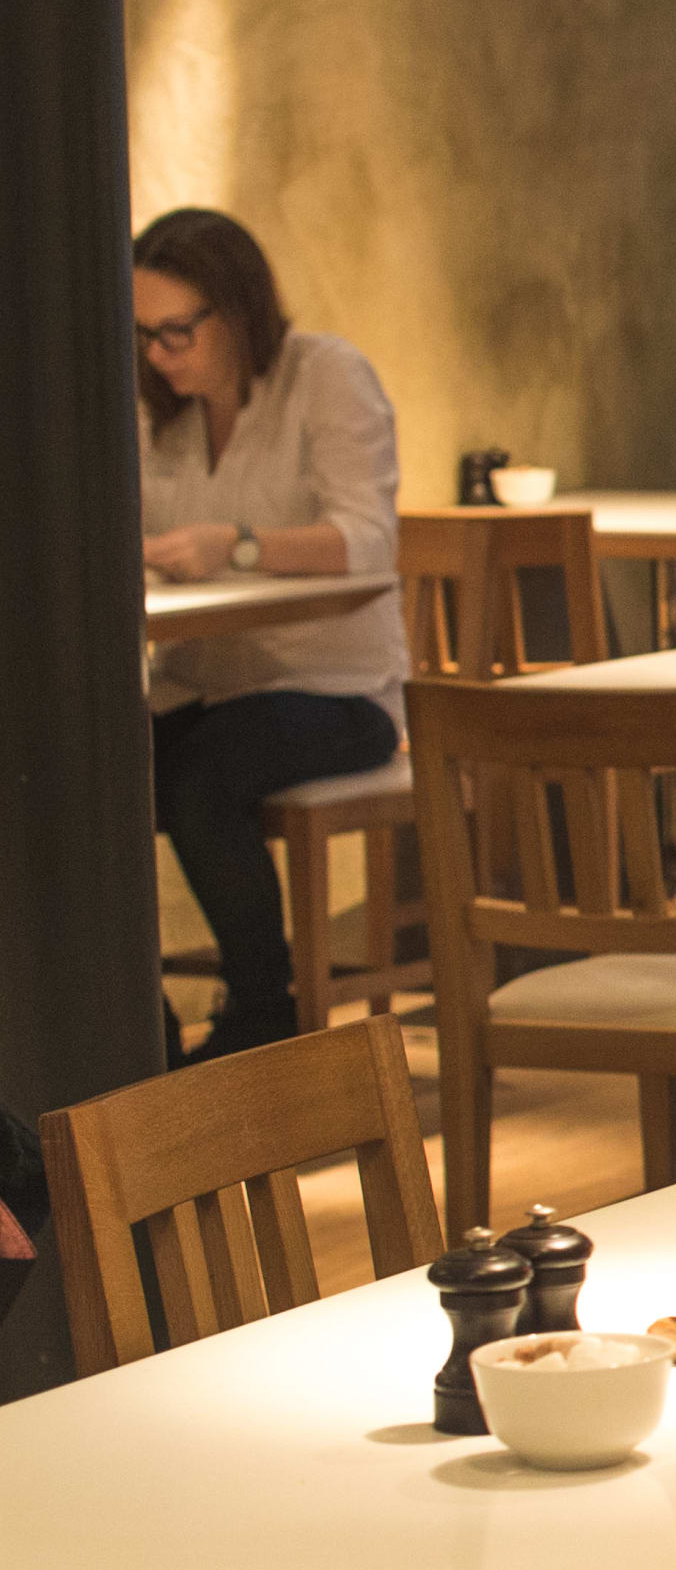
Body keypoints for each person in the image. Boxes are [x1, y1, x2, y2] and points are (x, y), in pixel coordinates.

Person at [134, 209, 409, 1066]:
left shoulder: (323, 376)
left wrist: (239, 545)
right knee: (87, 778)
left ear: (238, 310)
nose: (161, 356)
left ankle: (264, 1017)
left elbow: (368, 538)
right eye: (144, 336)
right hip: (204, 680)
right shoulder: (158, 418)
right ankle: (134, 1026)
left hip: (336, 689)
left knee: (202, 772)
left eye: (178, 331)